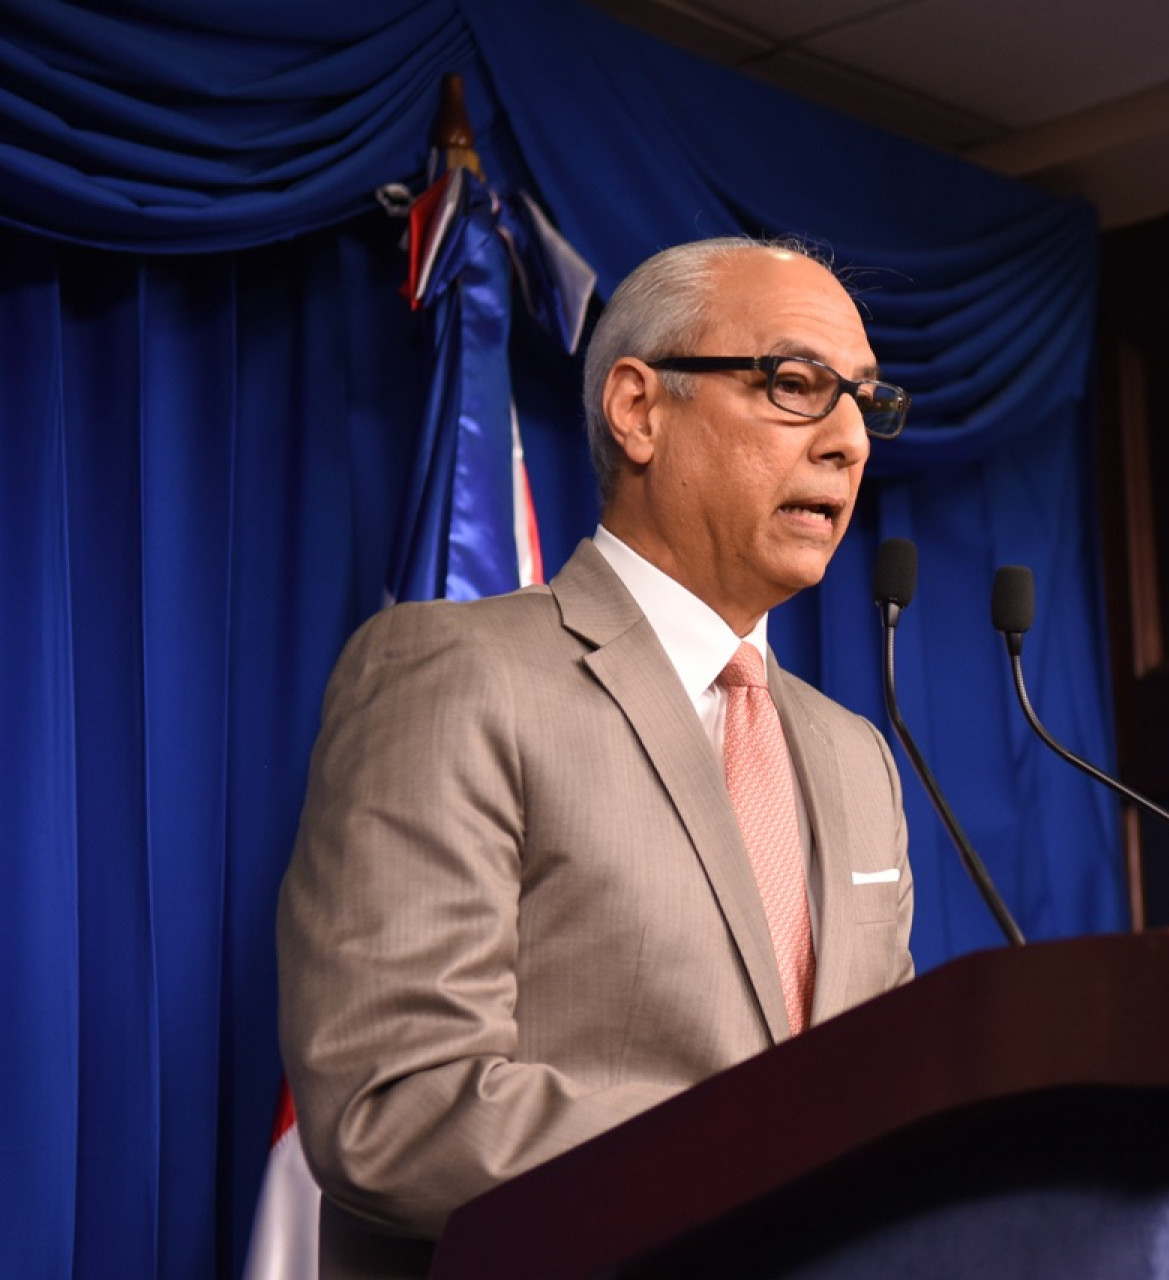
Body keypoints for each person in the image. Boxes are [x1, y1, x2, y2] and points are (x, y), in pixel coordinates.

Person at [277, 236, 916, 1278]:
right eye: (798, 385)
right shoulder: (457, 675)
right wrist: (771, 1154)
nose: (849, 440)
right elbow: (396, 1103)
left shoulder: (859, 760)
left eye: (866, 401)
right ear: (639, 408)